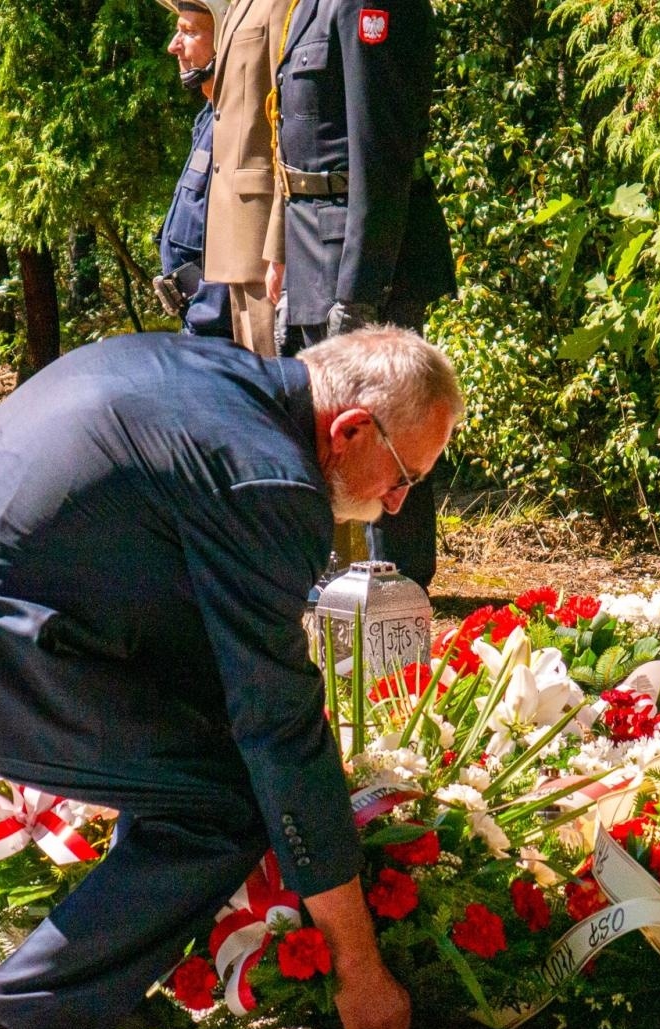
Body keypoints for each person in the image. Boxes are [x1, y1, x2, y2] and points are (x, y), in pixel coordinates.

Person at [0, 327, 462, 1029]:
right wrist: (361, 962)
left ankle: (97, 987)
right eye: (405, 476)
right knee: (225, 805)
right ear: (350, 430)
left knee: (203, 763)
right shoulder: (268, 479)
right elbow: (277, 724)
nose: (395, 503)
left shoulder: (207, 370)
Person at [268, 0, 456, 589]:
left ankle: (397, 601)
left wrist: (359, 292)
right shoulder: (309, 6)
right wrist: (288, 268)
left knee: (388, 430)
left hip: (360, 257)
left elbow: (381, 152)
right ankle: (326, 592)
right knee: (315, 434)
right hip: (311, 246)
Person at [202, 0, 289, 355]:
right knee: (257, 383)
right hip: (236, 231)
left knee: (275, 384)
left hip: (261, 230)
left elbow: (286, 121)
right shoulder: (239, 6)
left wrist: (279, 241)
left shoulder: (278, 4)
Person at [154, 0, 234, 338]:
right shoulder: (208, 118)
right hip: (197, 318)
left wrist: (210, 316)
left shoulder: (241, 125)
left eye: (189, 32)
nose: (174, 46)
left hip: (219, 326)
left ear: (226, 42)